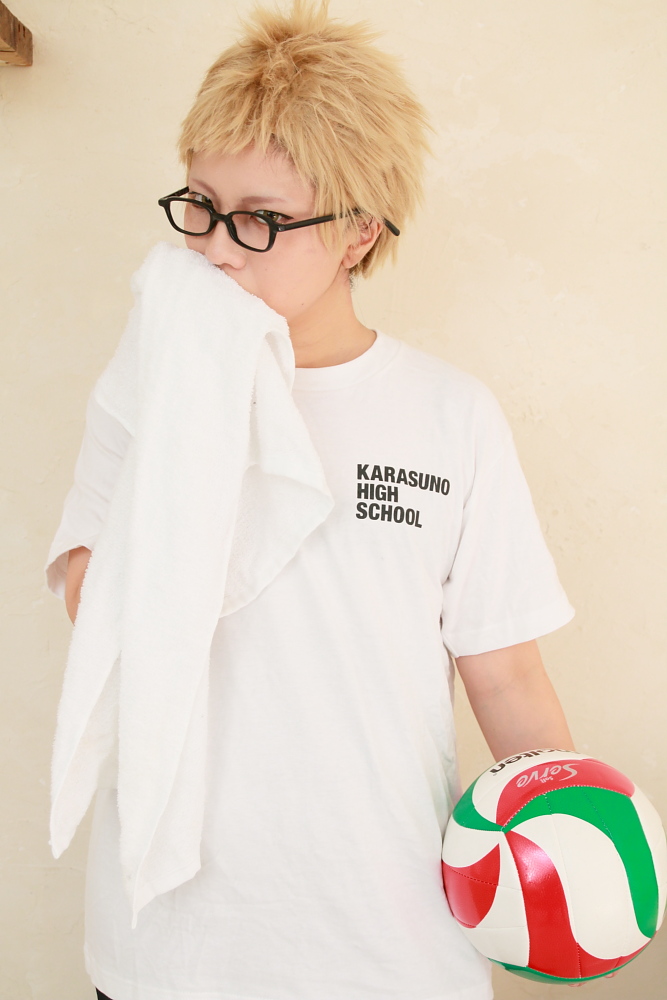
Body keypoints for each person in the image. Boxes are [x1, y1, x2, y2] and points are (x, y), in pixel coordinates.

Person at [47, 2, 582, 998]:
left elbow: (504, 671)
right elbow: (94, 600)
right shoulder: (148, 385)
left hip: (385, 939)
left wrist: (570, 847)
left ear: (357, 231)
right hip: (170, 946)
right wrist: (189, 414)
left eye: (259, 218)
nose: (216, 248)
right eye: (200, 204)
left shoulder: (448, 415)